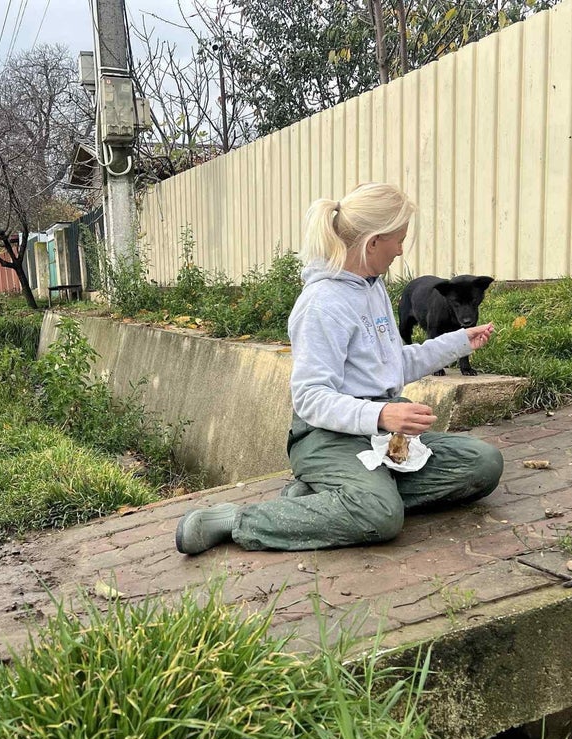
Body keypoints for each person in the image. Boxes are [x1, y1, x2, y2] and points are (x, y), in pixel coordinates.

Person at [175, 182, 503, 554]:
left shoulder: (372, 287)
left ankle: (333, 497)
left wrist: (459, 342)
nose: (400, 249)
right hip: (324, 436)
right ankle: (235, 521)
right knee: (381, 516)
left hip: (376, 433)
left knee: (483, 465)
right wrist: (381, 413)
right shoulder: (321, 304)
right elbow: (310, 398)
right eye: (398, 239)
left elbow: (392, 365)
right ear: (372, 242)